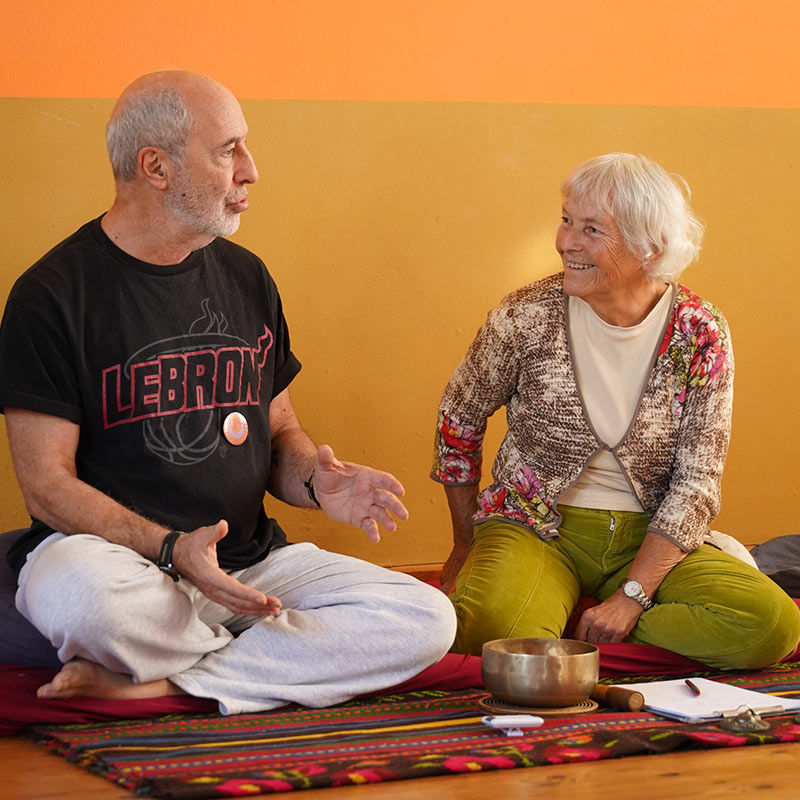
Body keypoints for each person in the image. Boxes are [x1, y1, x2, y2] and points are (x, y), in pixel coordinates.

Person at [0, 70, 456, 714]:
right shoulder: (52, 296)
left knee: (426, 615)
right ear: (155, 167)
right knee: (86, 602)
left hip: (249, 564)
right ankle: (253, 663)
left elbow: (280, 436)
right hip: (122, 566)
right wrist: (168, 549)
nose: (251, 170)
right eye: (227, 150)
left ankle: (168, 683)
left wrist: (315, 483)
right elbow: (45, 485)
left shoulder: (245, 277)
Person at [431, 153, 800, 669]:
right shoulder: (524, 316)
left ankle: (577, 626)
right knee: (490, 631)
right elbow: (458, 422)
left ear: (651, 248)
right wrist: (465, 541)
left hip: (647, 539)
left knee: (773, 625)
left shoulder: (700, 332)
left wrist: (632, 596)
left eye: (591, 229)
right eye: (566, 220)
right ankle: (576, 620)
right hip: (533, 526)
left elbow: (698, 479)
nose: (566, 242)